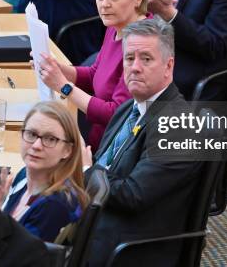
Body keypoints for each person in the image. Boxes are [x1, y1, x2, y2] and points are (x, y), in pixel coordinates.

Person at [82, 18, 205, 266]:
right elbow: (106, 167)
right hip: (97, 217)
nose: (135, 67)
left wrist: (85, 171)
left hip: (123, 244)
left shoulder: (179, 128)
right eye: (129, 59)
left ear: (168, 66)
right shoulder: (130, 106)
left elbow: (132, 195)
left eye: (146, 59)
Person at [37, 0, 150, 151]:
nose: (104, 4)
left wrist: (63, 86)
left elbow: (116, 114)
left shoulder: (143, 45)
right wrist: (58, 69)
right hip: (96, 140)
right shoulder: (117, 25)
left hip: (114, 152)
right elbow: (94, 75)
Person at [1, 101, 88, 242]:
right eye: (31, 134)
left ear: (67, 150)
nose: (36, 145)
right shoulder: (24, 175)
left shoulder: (54, 206)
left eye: (50, 139)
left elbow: (16, 256)